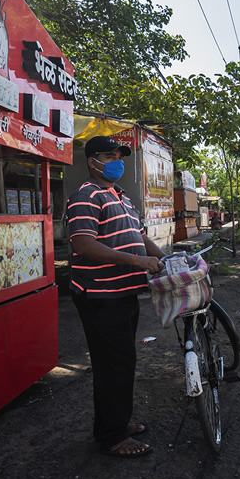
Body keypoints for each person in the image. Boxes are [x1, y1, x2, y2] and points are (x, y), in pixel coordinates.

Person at [67, 136, 165, 458]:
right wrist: (136, 261)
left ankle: (116, 422)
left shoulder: (120, 196)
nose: (116, 161)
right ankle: (112, 436)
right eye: (109, 155)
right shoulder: (86, 195)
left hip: (123, 293)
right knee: (113, 365)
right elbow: (84, 244)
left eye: (119, 155)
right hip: (99, 295)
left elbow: (140, 237)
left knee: (122, 361)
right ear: (93, 160)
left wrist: (164, 260)